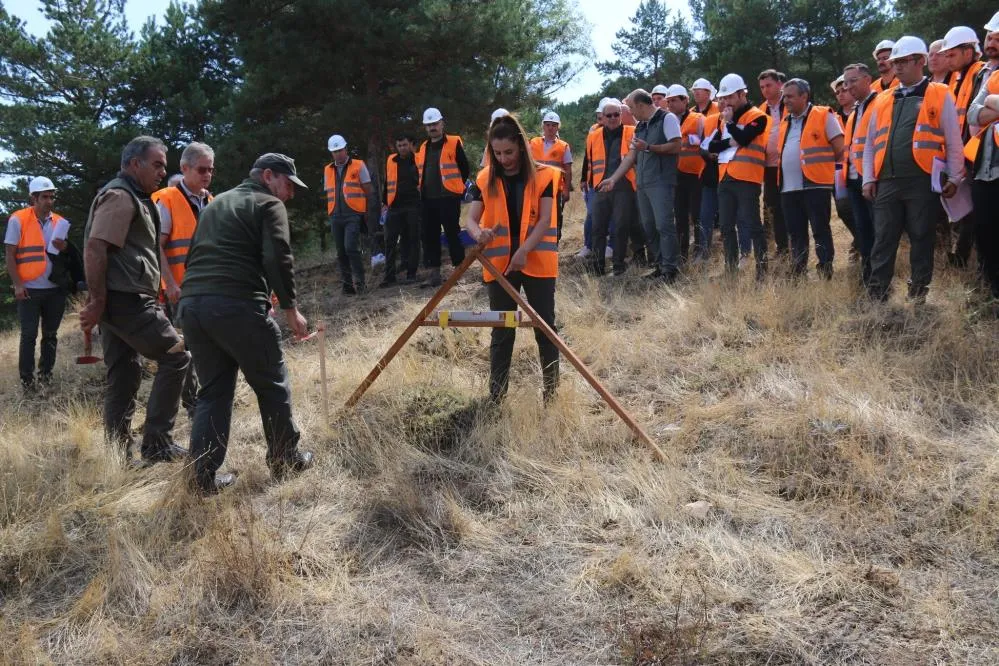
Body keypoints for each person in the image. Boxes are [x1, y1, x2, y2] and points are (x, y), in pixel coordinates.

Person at [179, 153, 314, 494]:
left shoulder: (215, 203)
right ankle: (285, 459)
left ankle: (201, 479)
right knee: (271, 383)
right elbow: (277, 257)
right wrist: (290, 309)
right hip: (234, 305)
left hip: (194, 307)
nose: (290, 194)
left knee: (212, 393)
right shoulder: (267, 204)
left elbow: (196, 254)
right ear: (268, 176)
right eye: (288, 185)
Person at [80, 136, 190, 465]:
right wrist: (97, 300)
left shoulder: (135, 196)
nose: (162, 171)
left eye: (164, 166)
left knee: (125, 374)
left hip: (119, 299)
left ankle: (119, 456)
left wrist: (102, 301)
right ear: (133, 164)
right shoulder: (120, 196)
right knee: (177, 356)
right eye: (156, 164)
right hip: (126, 300)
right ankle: (157, 445)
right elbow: (95, 248)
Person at [862, 36, 965, 303]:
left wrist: (955, 176)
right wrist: (869, 178)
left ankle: (918, 294)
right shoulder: (883, 99)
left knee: (921, 237)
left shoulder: (940, 93)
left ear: (921, 61)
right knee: (883, 239)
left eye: (903, 61)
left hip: (921, 179)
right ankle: (878, 295)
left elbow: (953, 139)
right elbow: (871, 145)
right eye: (894, 62)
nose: (897, 67)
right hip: (887, 181)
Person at [465, 114, 560, 404]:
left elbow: (544, 220)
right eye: (497, 153)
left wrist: (524, 251)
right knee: (502, 331)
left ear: (520, 146)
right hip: (499, 266)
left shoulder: (544, 175)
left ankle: (552, 395)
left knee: (545, 328)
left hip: (537, 262)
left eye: (508, 152)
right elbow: (470, 219)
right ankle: (496, 398)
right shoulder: (485, 178)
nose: (503, 159)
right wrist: (478, 233)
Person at [151, 142, 214, 417]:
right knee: (185, 348)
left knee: (208, 346)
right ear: (185, 168)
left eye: (211, 170)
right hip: (180, 291)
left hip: (209, 288)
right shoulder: (165, 199)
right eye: (202, 169)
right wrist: (170, 284)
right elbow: (157, 246)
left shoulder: (210, 201)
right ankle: (192, 404)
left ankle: (206, 397)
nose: (207, 175)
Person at [599, 89, 683, 281]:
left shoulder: (667, 119)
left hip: (661, 181)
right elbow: (631, 157)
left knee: (664, 225)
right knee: (649, 226)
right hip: (643, 183)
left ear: (640, 105)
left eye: (630, 108)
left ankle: (670, 270)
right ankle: (660, 266)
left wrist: (650, 147)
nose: (629, 112)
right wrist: (613, 179)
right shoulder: (640, 127)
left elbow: (677, 145)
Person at [5, 176, 70, 392]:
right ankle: (27, 382)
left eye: (52, 197)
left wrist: (64, 248)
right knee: (29, 336)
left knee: (50, 335)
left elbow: (67, 256)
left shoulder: (60, 222)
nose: (49, 201)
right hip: (29, 289)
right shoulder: (18, 220)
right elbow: (10, 255)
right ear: (33, 198)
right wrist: (17, 284)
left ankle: (46, 377)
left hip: (54, 291)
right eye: (44, 197)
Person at [776, 79, 845, 278]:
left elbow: (840, 148)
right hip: (788, 188)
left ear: (804, 96)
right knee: (796, 232)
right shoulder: (784, 122)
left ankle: (825, 269)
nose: (785, 100)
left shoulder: (823, 114)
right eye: (784, 96)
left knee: (820, 229)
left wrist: (823, 171)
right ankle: (798, 271)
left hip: (816, 185)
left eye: (789, 96)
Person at [711, 73, 771, 278]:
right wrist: (731, 138)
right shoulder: (725, 119)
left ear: (741, 93)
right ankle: (730, 270)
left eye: (729, 97)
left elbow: (745, 139)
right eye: (723, 98)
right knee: (726, 227)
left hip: (747, 178)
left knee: (753, 225)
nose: (725, 101)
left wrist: (730, 126)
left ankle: (762, 271)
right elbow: (712, 146)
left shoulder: (757, 116)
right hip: (725, 177)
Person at [941, 26, 986, 268]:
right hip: (966, 154)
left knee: (977, 212)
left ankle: (968, 259)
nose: (947, 59)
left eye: (952, 54)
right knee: (968, 212)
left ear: (968, 51)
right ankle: (964, 258)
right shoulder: (958, 79)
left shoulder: (981, 73)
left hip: (979, 155)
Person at [584, 99, 640, 275]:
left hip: (624, 186)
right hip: (600, 187)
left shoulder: (632, 131)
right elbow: (588, 160)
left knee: (621, 226)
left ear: (621, 115)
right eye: (609, 115)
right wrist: (587, 181)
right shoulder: (593, 136)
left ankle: (618, 266)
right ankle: (598, 266)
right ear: (603, 117)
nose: (613, 118)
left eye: (617, 114)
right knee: (598, 227)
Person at [416, 107, 470, 287]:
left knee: (452, 233)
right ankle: (434, 274)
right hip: (428, 199)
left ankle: (459, 271)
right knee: (429, 235)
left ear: (442, 123)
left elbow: (465, 168)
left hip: (448, 197)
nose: (432, 127)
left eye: (435, 124)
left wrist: (456, 189)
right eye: (429, 125)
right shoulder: (423, 147)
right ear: (425, 127)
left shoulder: (454, 142)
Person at [842, 63, 881, 283]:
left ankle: (879, 279)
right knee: (863, 231)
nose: (848, 87)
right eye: (846, 82)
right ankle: (868, 277)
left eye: (853, 81)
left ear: (868, 79)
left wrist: (872, 175)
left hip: (873, 179)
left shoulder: (880, 104)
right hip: (854, 180)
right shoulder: (856, 110)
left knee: (877, 231)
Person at [964, 68, 999, 300]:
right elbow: (972, 114)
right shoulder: (995, 77)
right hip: (986, 171)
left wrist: (993, 101)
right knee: (986, 233)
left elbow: (984, 108)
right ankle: (992, 291)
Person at [324, 134, 373, 294]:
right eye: (334, 151)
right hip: (335, 215)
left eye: (340, 150)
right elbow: (329, 192)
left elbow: (368, 189)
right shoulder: (328, 169)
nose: (338, 153)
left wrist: (365, 210)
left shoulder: (358, 165)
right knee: (341, 251)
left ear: (346, 149)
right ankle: (347, 286)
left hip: (353, 213)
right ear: (331, 153)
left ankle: (360, 283)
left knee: (351, 247)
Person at [668, 85, 705, 262]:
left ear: (685, 100)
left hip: (696, 175)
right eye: (668, 101)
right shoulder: (668, 121)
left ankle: (699, 250)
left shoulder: (699, 119)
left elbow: (706, 143)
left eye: (674, 100)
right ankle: (681, 253)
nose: (670, 104)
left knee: (697, 214)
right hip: (676, 176)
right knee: (680, 216)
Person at [381, 132, 422, 286]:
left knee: (413, 240)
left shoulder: (418, 159)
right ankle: (389, 276)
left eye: (405, 145)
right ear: (396, 147)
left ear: (410, 145)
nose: (402, 148)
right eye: (399, 146)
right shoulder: (391, 160)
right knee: (390, 241)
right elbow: (387, 182)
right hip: (395, 206)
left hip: (413, 205)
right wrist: (384, 202)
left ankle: (411, 273)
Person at [758, 69, 788, 257]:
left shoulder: (791, 102)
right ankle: (779, 247)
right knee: (771, 207)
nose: (765, 90)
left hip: (790, 166)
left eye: (768, 85)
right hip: (768, 168)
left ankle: (793, 246)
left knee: (791, 207)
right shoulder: (761, 110)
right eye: (762, 87)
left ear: (779, 84)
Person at [529, 111, 573, 239]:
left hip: (555, 190)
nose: (550, 128)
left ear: (558, 127)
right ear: (543, 126)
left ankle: (554, 243)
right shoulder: (533, 143)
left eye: (554, 125)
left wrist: (566, 190)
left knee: (555, 217)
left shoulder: (563, 146)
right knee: (534, 216)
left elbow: (568, 170)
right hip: (535, 188)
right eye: (548, 124)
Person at [832, 75, 859, 261]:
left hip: (863, 168)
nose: (841, 95)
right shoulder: (833, 118)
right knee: (843, 209)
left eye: (844, 90)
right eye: (837, 92)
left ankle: (863, 243)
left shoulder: (863, 111)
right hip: (840, 170)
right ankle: (860, 240)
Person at [696, 109, 722, 263]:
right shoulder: (711, 121)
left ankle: (731, 255)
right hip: (709, 177)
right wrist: (709, 155)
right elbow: (702, 147)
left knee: (729, 219)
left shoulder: (740, 121)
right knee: (705, 217)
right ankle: (703, 252)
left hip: (731, 177)